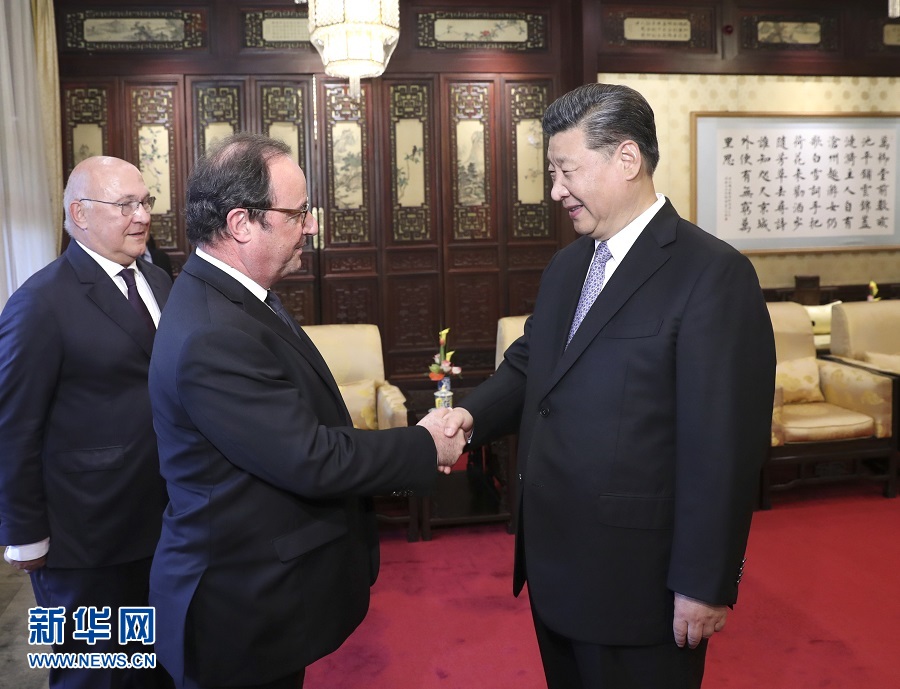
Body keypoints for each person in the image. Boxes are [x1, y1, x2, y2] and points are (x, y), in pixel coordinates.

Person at [441, 83, 776, 689]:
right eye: (552, 172)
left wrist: (705, 583)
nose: (555, 191)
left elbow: (724, 447)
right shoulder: (569, 264)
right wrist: (469, 418)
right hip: (556, 567)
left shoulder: (712, 274)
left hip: (639, 582)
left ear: (627, 159)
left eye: (566, 170)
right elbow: (532, 365)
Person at [147, 132, 465, 689]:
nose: (311, 226)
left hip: (261, 593)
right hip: (238, 608)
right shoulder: (214, 332)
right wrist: (424, 443)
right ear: (242, 223)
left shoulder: (234, 298)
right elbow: (309, 456)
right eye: (297, 213)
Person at [0, 156, 173, 689]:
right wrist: (24, 534)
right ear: (79, 214)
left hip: (162, 521)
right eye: (126, 205)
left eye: (145, 202)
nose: (142, 215)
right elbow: (12, 426)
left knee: (155, 667)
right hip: (85, 537)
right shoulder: (40, 302)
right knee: (95, 672)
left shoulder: (159, 280)